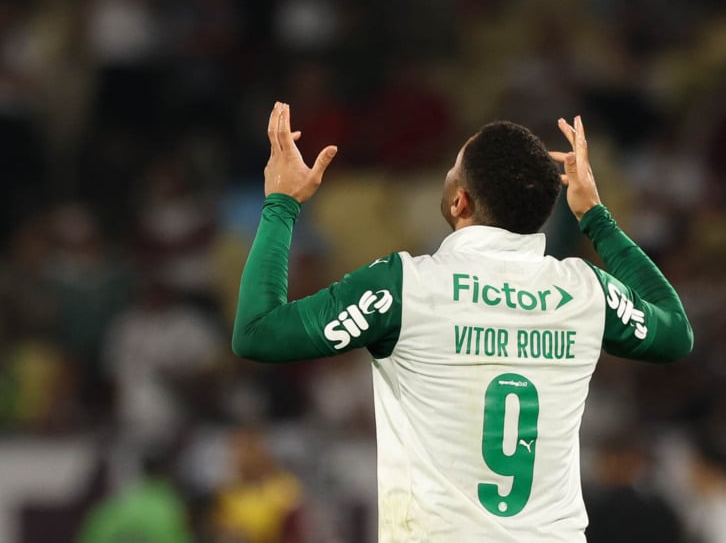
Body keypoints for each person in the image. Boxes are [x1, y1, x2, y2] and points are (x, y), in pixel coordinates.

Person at [232, 102, 693, 542]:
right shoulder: (585, 290)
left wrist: (281, 204)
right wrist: (596, 216)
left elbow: (257, 333)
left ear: (460, 202)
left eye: (452, 169)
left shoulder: (405, 286)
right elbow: (674, 332)